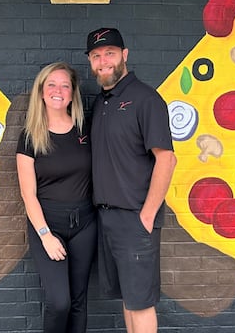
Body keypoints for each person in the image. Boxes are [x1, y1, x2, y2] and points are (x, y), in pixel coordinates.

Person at [85, 27, 177, 333]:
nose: (103, 61)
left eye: (109, 53)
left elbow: (167, 159)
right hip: (107, 218)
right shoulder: (101, 103)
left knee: (141, 302)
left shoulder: (145, 99)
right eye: (96, 56)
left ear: (125, 55)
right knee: (129, 299)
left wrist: (147, 215)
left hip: (135, 218)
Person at [16, 62, 96, 333]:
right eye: (51, 84)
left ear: (73, 94)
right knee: (58, 302)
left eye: (65, 85)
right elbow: (28, 194)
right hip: (48, 225)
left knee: (78, 301)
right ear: (41, 92)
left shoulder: (86, 130)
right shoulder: (30, 137)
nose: (58, 90)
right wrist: (45, 235)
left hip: (85, 224)